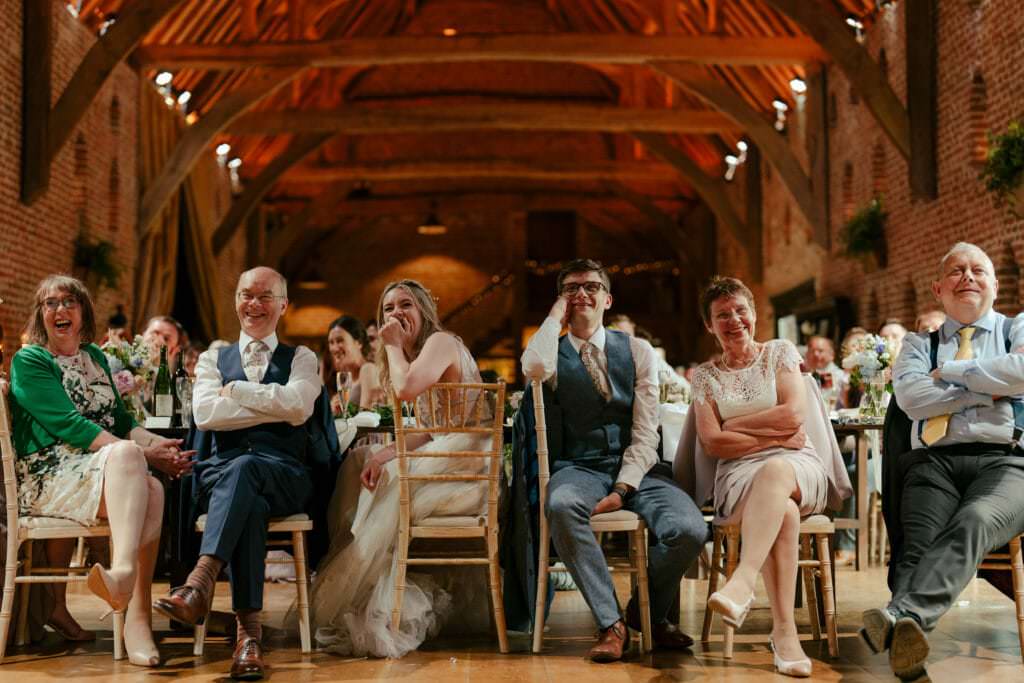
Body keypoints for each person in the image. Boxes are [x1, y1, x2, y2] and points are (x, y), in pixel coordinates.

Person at [521, 259, 706, 663]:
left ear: (608, 299)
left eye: (591, 286)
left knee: (690, 530)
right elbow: (532, 367)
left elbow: (645, 432)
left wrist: (625, 488)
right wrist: (555, 316)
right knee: (561, 504)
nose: (581, 294)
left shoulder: (637, 350)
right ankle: (610, 623)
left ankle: (644, 612)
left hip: (639, 468)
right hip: (579, 467)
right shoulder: (549, 355)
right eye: (571, 289)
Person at [862, 242, 1024, 680]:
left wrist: (950, 374)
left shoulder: (1018, 329)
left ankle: (899, 617)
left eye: (978, 270)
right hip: (933, 463)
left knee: (976, 518)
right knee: (915, 547)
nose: (967, 277)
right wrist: (992, 387)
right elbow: (914, 401)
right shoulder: (917, 344)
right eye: (956, 271)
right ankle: (909, 658)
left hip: (1008, 463)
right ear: (938, 288)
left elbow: (1023, 372)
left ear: (993, 284)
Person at [9, 275, 190, 666]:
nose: (60, 310)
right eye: (50, 304)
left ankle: (136, 621)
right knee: (130, 459)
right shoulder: (31, 360)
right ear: (41, 316)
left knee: (154, 489)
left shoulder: (94, 356)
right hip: (47, 474)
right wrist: (141, 454)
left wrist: (155, 445)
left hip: (97, 469)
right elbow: (68, 425)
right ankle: (123, 575)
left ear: (83, 312)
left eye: (69, 302)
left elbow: (122, 421)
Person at [311, 279, 495, 658]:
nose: (396, 314)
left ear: (424, 310)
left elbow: (406, 389)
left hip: (466, 470)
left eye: (405, 305)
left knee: (385, 486)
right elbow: (428, 431)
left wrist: (392, 346)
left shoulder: (441, 342)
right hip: (445, 457)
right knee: (360, 462)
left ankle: (375, 606)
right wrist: (384, 454)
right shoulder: (420, 354)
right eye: (388, 309)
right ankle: (362, 590)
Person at [153, 267, 320, 681]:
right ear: (236, 301)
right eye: (247, 294)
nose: (254, 304)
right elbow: (207, 414)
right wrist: (273, 403)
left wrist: (239, 392)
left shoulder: (303, 358)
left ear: (283, 305)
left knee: (248, 472)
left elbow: (300, 407)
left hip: (285, 475)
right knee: (249, 498)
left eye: (265, 296)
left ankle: (200, 583)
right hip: (223, 478)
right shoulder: (213, 358)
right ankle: (248, 637)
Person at [691, 276, 851, 678]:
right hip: (739, 478)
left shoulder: (779, 352)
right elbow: (712, 442)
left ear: (754, 314)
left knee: (777, 470)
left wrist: (734, 423)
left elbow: (794, 417)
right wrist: (768, 431)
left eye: (740, 310)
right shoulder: (704, 377)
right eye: (721, 315)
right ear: (710, 325)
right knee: (786, 513)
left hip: (798, 464)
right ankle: (784, 634)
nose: (734, 320)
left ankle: (742, 581)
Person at [323, 315, 384, 412]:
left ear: (359, 342)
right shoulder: (345, 379)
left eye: (340, 340)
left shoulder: (367, 369)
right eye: (331, 342)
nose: (334, 348)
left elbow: (366, 417)